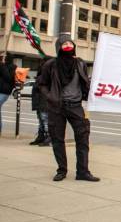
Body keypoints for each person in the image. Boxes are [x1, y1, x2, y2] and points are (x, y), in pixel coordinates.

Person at [38, 35, 99, 182]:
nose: (67, 46)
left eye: (70, 43)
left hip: (76, 107)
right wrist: (50, 96)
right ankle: (62, 170)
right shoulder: (50, 65)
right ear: (59, 47)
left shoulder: (80, 63)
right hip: (56, 107)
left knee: (83, 138)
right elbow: (41, 84)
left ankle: (83, 172)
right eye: (64, 43)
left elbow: (85, 81)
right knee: (57, 139)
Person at [30, 58, 51, 146]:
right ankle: (41, 136)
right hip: (39, 100)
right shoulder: (42, 74)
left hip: (45, 101)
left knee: (45, 120)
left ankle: (48, 138)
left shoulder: (49, 75)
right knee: (41, 120)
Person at [0, 53, 17, 137]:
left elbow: (8, 78)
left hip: (5, 91)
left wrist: (3, 67)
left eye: (4, 57)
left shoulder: (13, 67)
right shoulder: (2, 65)